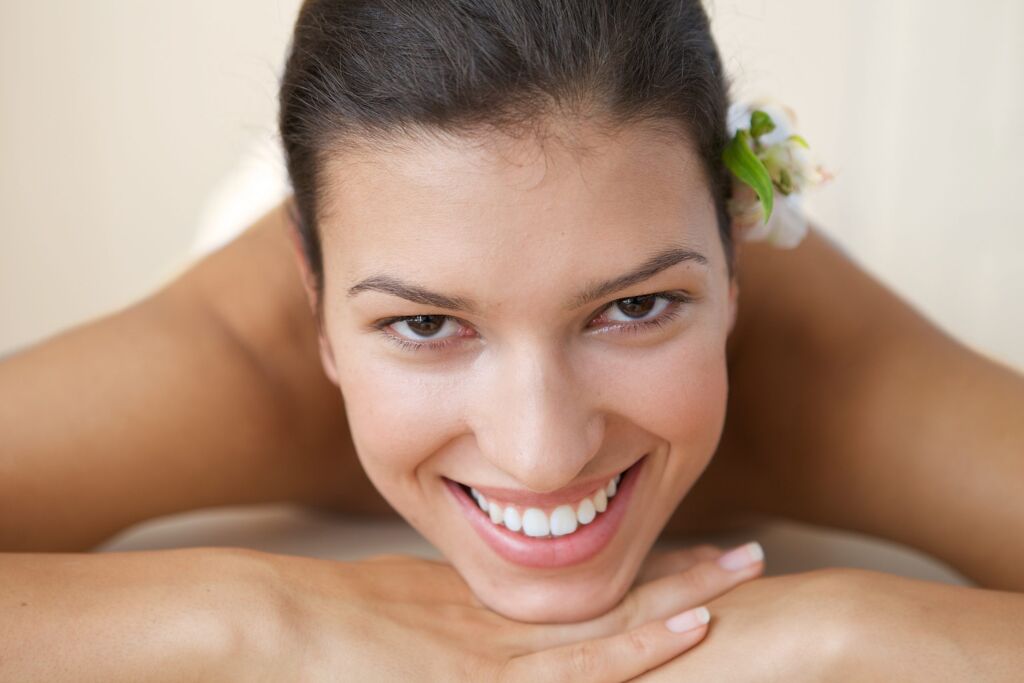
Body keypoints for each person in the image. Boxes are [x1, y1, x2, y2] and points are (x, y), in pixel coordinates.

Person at [2, 0, 1023, 680]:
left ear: (735, 253)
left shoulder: (828, 372)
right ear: (312, 301)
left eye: (632, 309)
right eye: (425, 324)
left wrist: (838, 630)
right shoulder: (233, 361)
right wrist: (269, 615)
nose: (543, 451)